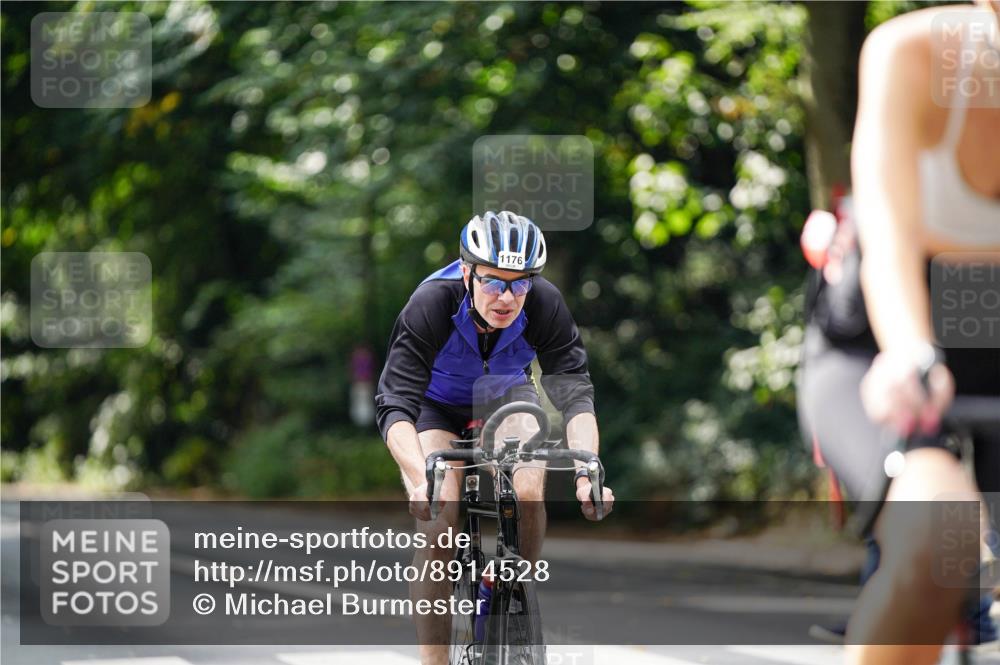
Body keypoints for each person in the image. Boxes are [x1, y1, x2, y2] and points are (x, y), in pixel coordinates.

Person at [797, 3, 1000, 664]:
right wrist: (911, 352)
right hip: (879, 344)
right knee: (937, 538)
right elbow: (887, 242)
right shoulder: (911, 52)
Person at [375, 210, 615, 665]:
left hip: (505, 397)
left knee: (528, 490)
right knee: (438, 522)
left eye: (519, 284)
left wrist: (588, 473)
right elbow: (395, 404)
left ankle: (509, 591)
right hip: (436, 406)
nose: (506, 297)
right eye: (492, 282)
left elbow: (575, 395)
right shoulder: (432, 302)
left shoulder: (544, 303)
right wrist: (419, 478)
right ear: (467, 273)